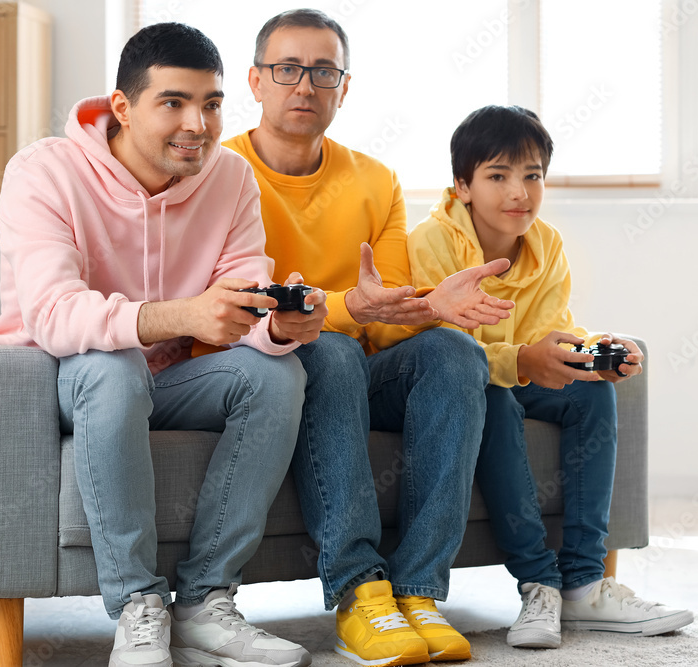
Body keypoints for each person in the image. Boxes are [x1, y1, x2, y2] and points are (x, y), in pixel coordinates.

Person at [0, 22, 327, 667]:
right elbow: (55, 315)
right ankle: (138, 605)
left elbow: (237, 300)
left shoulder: (230, 179)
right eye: (173, 102)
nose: (198, 123)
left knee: (276, 374)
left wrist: (275, 324)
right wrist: (182, 315)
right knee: (111, 368)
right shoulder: (44, 171)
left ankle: (204, 602)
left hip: (163, 383)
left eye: (212, 104)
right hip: (55, 381)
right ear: (122, 107)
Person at [224, 10, 515, 665]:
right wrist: (341, 307)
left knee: (451, 351)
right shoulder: (222, 173)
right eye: (287, 69)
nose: (304, 85)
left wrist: (427, 307)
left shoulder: (376, 180)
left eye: (323, 71)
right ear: (257, 81)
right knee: (327, 348)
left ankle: (418, 589)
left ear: (344, 87)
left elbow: (382, 317)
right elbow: (238, 304)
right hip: (267, 366)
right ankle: (361, 591)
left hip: (357, 366)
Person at [407, 104, 694, 649]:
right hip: (464, 381)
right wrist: (520, 361)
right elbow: (443, 350)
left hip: (517, 374)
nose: (519, 192)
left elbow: (550, 333)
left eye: (532, 176)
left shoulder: (547, 244)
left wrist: (597, 352)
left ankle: (586, 582)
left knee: (592, 391)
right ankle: (539, 582)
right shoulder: (431, 241)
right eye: (498, 176)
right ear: (462, 185)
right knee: (492, 398)